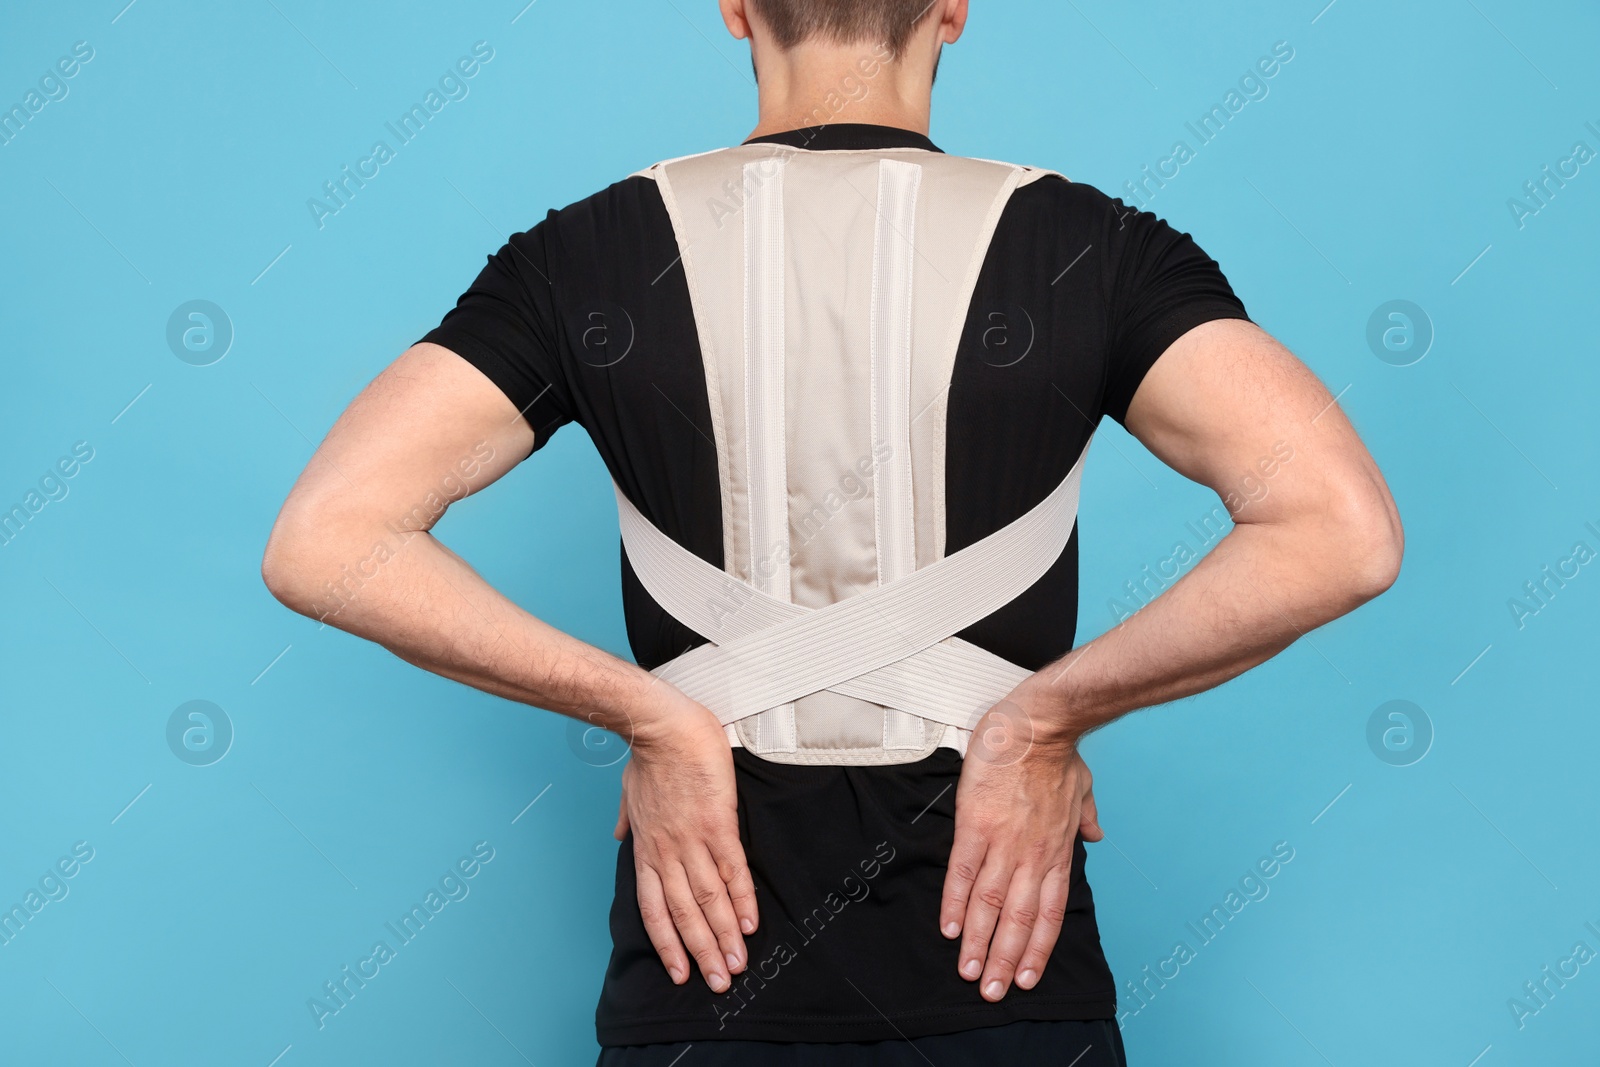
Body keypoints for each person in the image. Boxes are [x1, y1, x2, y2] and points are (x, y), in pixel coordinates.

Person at [261, 1, 1403, 1062]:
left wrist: (648, 713)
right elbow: (1338, 531)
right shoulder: (1094, 248)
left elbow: (327, 538)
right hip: (1000, 962)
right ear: (952, 7)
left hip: (703, 969)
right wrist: (1044, 720)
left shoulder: (585, 257)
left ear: (734, 6)